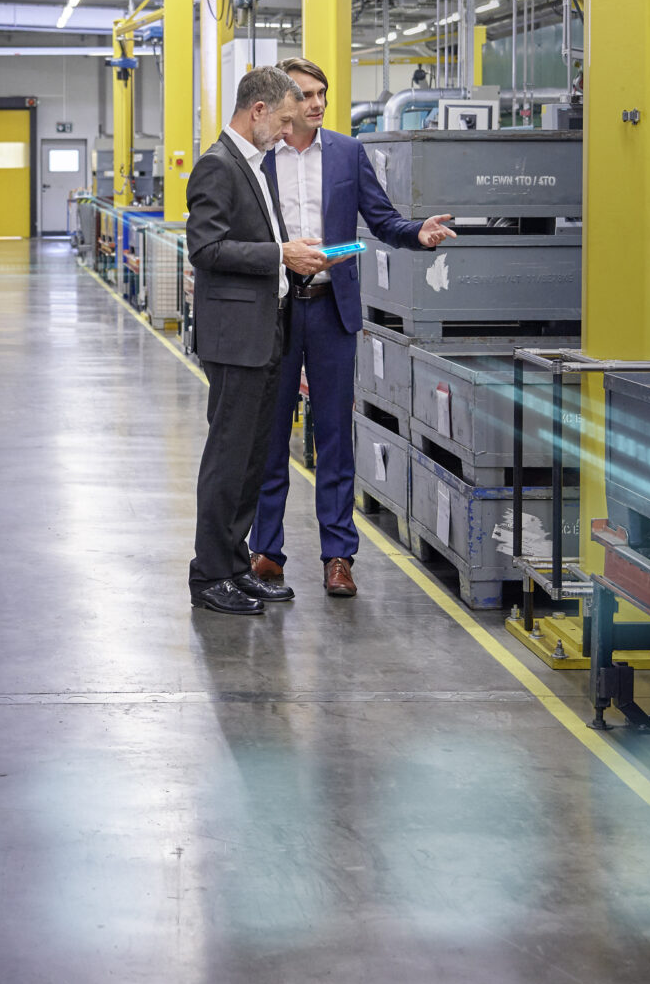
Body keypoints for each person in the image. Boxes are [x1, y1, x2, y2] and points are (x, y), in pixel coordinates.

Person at [248, 58, 452, 600]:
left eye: (323, 94)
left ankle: (338, 556)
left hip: (332, 311)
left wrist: (418, 234)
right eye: (306, 94)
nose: (316, 104)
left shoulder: (347, 153)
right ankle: (266, 550)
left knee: (335, 437)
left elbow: (382, 220)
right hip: (277, 310)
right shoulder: (260, 159)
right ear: (283, 101)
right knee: (270, 436)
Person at [185, 66, 331, 615]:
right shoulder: (217, 166)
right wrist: (279, 255)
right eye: (285, 121)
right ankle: (209, 576)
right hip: (234, 340)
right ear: (259, 111)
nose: (288, 132)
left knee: (251, 459)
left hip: (266, 330)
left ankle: (235, 565)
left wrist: (293, 255)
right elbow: (206, 249)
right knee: (227, 458)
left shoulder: (255, 168)